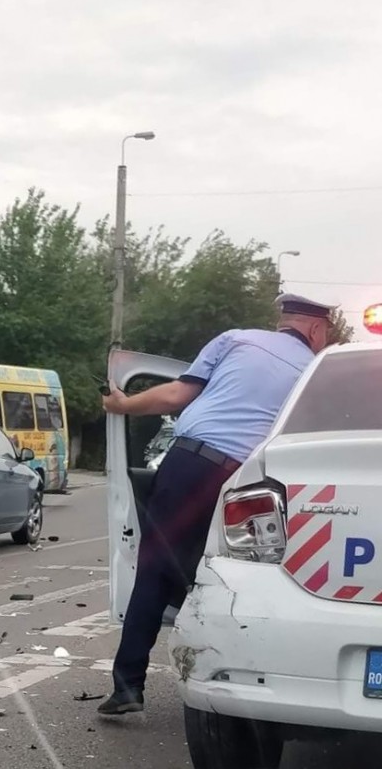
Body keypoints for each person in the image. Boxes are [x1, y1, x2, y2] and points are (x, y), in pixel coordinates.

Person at [97, 293, 336, 716]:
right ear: (316, 329)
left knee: (154, 571)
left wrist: (122, 404)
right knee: (238, 576)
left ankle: (128, 687)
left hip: (192, 464)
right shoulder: (316, 371)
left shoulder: (236, 340)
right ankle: (243, 682)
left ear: (283, 321)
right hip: (252, 483)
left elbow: (174, 396)